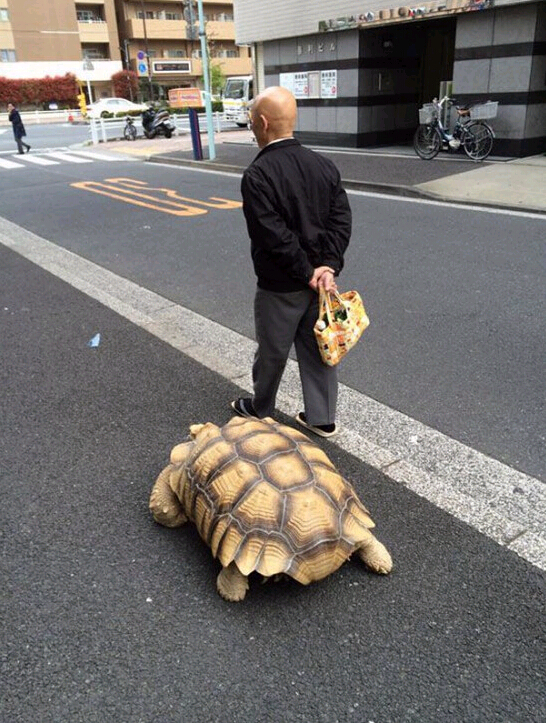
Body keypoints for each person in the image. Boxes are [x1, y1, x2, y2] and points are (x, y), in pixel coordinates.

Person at [231, 86, 352, 437]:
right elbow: (340, 220)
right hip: (322, 286)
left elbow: (272, 235)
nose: (252, 127)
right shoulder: (323, 165)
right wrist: (327, 267)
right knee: (320, 349)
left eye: (252, 122)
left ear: (263, 123)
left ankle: (261, 409)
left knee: (273, 350)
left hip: (281, 284)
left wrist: (306, 271)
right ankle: (321, 418)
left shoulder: (258, 174)